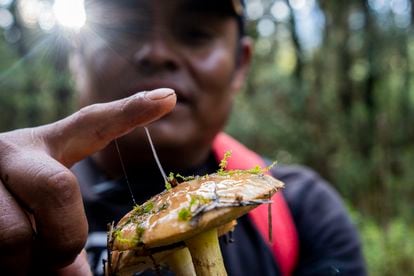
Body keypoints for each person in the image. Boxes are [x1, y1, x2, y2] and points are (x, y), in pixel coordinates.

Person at [0, 0, 366, 275]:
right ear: (76, 57)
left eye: (196, 33)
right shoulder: (22, 204)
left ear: (241, 64)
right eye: (125, 29)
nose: (157, 54)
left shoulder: (303, 211)